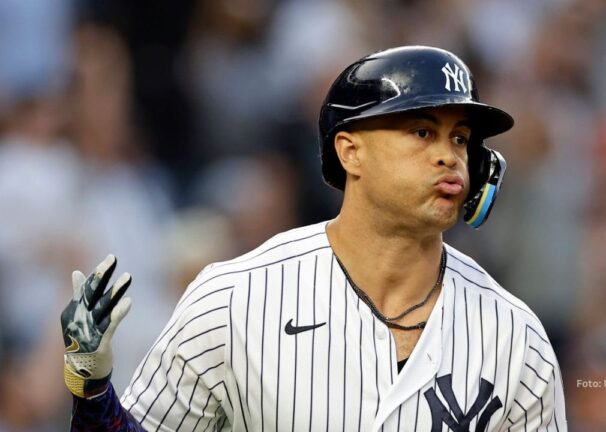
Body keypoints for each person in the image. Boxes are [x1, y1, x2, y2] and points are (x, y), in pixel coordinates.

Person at [60, 46, 567, 431]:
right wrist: (91, 385)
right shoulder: (234, 299)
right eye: (422, 131)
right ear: (350, 152)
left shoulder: (516, 336)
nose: (449, 155)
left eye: (460, 138)